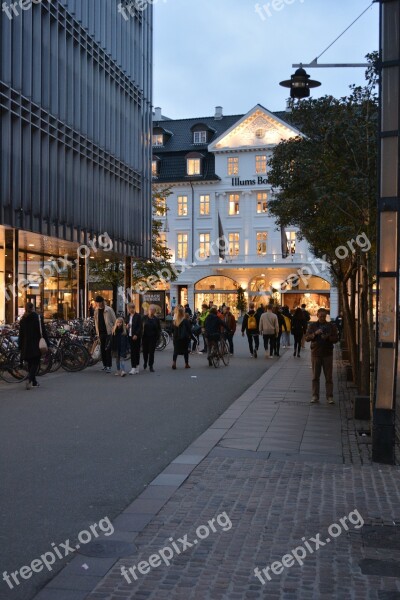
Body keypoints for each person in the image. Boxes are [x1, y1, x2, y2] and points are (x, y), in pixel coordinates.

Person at [305, 308, 339, 404]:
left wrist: (328, 337)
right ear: (317, 315)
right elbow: (307, 338)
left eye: (324, 316)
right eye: (321, 316)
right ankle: (315, 396)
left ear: (326, 316)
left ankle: (329, 397)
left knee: (329, 377)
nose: (322, 318)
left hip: (327, 353)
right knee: (315, 377)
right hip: (316, 353)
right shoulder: (312, 325)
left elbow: (336, 338)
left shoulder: (331, 326)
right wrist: (315, 334)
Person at [18, 302, 49, 389]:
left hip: (25, 344)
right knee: (35, 362)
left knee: (30, 363)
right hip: (36, 343)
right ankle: (29, 379)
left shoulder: (23, 319)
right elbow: (43, 331)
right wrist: (47, 342)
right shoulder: (38, 318)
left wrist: (20, 345)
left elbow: (21, 334)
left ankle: (34, 382)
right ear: (33, 308)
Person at [94, 295, 116, 373]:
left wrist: (113, 330)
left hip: (108, 332)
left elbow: (114, 320)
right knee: (102, 349)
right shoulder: (96, 310)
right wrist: (97, 333)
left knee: (108, 349)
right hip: (100, 333)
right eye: (97, 303)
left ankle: (109, 366)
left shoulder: (109, 309)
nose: (99, 304)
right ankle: (104, 365)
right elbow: (96, 322)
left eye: (100, 302)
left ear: (103, 302)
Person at [142, 304, 161, 372]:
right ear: (148, 310)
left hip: (153, 338)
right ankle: (145, 362)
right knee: (145, 352)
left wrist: (158, 337)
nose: (152, 311)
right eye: (150, 309)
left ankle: (151, 366)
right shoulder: (144, 318)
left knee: (151, 352)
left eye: (153, 310)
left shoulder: (156, 319)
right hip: (145, 337)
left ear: (155, 311)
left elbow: (159, 328)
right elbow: (141, 327)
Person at [125, 303, 142, 375]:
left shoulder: (138, 316)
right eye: (128, 309)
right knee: (132, 352)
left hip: (136, 336)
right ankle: (134, 367)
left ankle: (135, 367)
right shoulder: (128, 316)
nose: (129, 310)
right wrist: (127, 326)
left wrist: (136, 335)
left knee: (136, 351)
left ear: (133, 308)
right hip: (130, 335)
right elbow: (126, 324)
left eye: (130, 308)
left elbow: (140, 327)